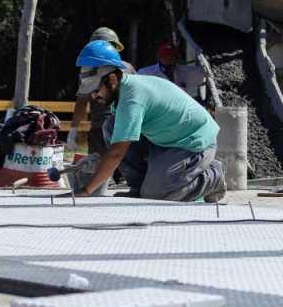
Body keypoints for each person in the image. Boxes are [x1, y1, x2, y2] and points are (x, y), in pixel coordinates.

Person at [72, 47, 226, 202]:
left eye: (96, 89)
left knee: (158, 196)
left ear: (112, 79)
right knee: (112, 126)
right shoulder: (122, 92)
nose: (93, 96)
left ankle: (213, 176)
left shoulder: (132, 98)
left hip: (192, 141)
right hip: (166, 139)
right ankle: (139, 188)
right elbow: (119, 144)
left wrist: (86, 191)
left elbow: (117, 153)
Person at [67, 27, 136, 158]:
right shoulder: (128, 68)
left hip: (103, 128)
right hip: (123, 129)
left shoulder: (87, 70)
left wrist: (73, 130)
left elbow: (82, 102)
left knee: (97, 171)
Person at [138, 41, 206, 100]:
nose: (168, 60)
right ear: (159, 58)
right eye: (165, 58)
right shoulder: (146, 73)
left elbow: (203, 71)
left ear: (176, 59)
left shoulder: (184, 71)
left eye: (171, 58)